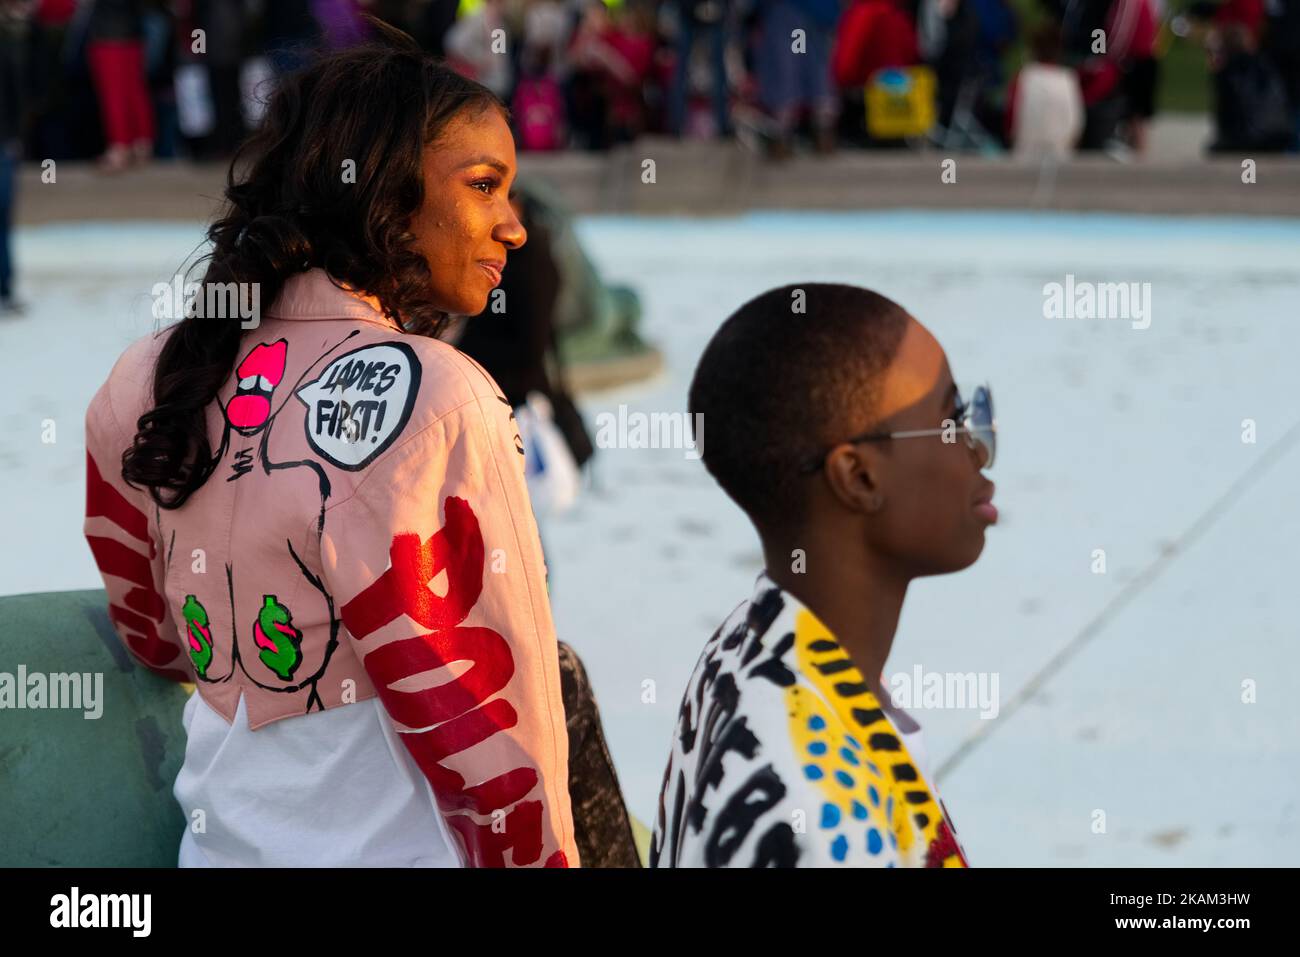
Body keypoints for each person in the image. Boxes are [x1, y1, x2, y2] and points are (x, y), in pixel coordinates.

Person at [83, 23, 581, 867]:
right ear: (386, 191)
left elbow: (155, 640)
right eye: (485, 185)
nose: (513, 227)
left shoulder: (147, 377)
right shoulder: (438, 397)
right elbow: (492, 733)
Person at [652, 284, 995, 867]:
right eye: (951, 420)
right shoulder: (819, 819)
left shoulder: (746, 642)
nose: (977, 450)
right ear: (858, 478)